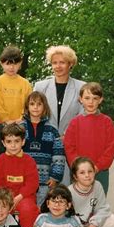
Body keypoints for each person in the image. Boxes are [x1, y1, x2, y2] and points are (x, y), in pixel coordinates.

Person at [34, 45, 85, 185]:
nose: (58, 66)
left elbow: (83, 116)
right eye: (54, 62)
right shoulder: (40, 87)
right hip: (45, 141)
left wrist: (67, 136)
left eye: (62, 62)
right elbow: (35, 113)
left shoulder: (81, 87)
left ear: (70, 64)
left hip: (71, 142)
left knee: (69, 186)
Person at [64, 82, 114, 195]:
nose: (91, 102)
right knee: (78, 201)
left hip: (100, 171)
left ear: (101, 100)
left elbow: (110, 148)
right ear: (80, 99)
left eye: (95, 98)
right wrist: (79, 167)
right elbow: (69, 146)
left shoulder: (107, 122)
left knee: (98, 203)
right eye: (87, 98)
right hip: (79, 172)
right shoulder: (75, 122)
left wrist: (97, 167)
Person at [0, 123, 39, 227]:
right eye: (9, 141)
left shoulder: (29, 160)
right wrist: (7, 199)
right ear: (3, 143)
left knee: (28, 210)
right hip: (5, 197)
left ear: (23, 142)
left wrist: (19, 196)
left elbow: (32, 183)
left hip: (24, 197)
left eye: (17, 141)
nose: (13, 145)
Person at [68, 157, 114, 227]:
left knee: (112, 219)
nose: (87, 175)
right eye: (82, 172)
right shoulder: (69, 192)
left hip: (91, 226)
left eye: (90, 171)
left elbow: (103, 208)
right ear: (75, 176)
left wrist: (93, 225)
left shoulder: (98, 186)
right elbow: (67, 219)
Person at [21, 91, 65, 206]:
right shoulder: (20, 128)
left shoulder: (52, 130)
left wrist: (55, 177)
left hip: (45, 181)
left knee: (42, 210)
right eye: (32, 104)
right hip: (24, 181)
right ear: (27, 107)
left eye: (39, 104)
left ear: (44, 107)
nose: (35, 107)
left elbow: (59, 155)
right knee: (26, 209)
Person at [0, 45, 32, 123]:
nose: (11, 67)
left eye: (15, 64)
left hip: (21, 124)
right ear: (1, 63)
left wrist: (21, 119)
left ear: (20, 63)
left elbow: (29, 104)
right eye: (8, 64)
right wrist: (6, 120)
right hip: (2, 124)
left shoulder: (25, 83)